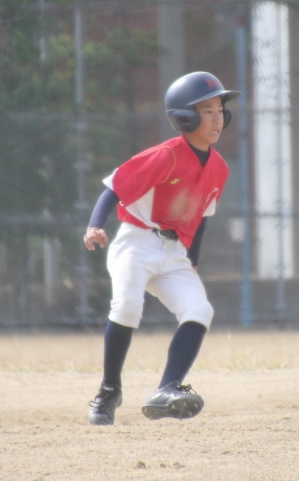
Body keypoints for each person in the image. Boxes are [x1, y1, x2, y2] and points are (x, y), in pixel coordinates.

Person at [83, 71, 239, 425]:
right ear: (185, 117)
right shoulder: (166, 155)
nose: (217, 118)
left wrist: (192, 260)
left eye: (220, 111)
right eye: (208, 111)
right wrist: (95, 225)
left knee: (199, 310)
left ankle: (168, 388)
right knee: (127, 306)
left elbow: (202, 215)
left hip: (174, 254)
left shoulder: (219, 168)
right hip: (136, 243)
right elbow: (115, 188)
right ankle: (109, 392)